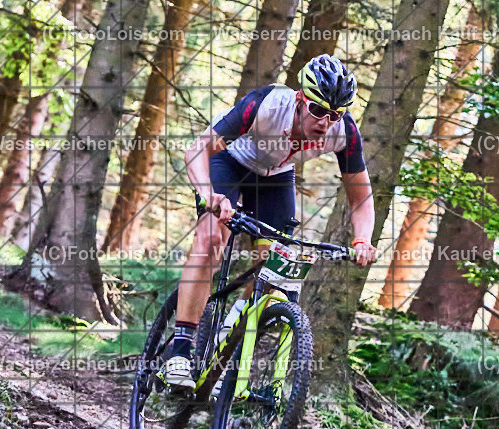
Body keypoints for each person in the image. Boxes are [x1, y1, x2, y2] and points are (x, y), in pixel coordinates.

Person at [158, 54, 377, 391]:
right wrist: (208, 195)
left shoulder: (344, 131)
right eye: (318, 110)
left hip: (275, 179)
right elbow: (198, 151)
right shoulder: (266, 104)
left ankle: (223, 340)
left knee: (273, 268)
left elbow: (360, 195)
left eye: (335, 115)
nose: (326, 122)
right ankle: (180, 351)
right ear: (300, 99)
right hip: (229, 162)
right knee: (211, 240)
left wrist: (363, 239)